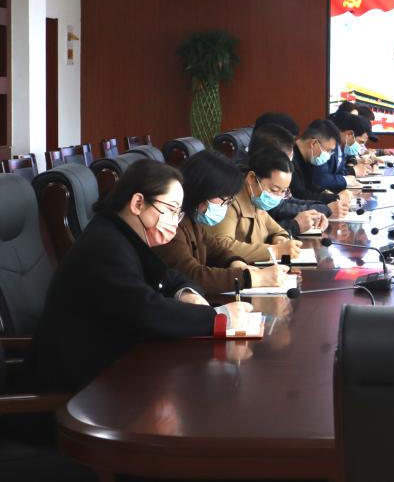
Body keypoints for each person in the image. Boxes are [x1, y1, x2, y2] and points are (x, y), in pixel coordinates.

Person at [28, 160, 252, 393]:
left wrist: (186, 294)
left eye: (178, 212)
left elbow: (169, 276)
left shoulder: (124, 234)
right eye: (170, 209)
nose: (174, 220)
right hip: (80, 385)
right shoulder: (105, 246)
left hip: (113, 367)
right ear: (138, 203)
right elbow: (146, 311)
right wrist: (217, 318)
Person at [154, 151, 290, 293]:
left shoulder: (192, 218)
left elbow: (215, 248)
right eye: (224, 199)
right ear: (202, 190)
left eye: (229, 200)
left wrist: (236, 263)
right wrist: (252, 278)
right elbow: (192, 275)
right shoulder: (171, 224)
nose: (226, 205)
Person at [203, 148, 303, 264]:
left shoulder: (256, 201)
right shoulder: (228, 201)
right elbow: (222, 245)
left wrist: (280, 240)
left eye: (283, 191)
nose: (277, 197)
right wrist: (274, 251)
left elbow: (277, 231)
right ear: (251, 178)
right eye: (274, 190)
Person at [247, 122, 341, 235]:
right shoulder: (247, 188)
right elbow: (262, 231)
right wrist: (295, 225)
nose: (288, 166)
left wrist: (318, 212)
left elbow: (288, 201)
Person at [313, 113, 369, 192]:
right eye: (360, 142)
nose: (361, 146)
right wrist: (348, 177)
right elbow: (321, 179)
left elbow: (340, 173)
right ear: (349, 134)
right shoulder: (326, 145)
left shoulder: (341, 148)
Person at [291, 119, 343, 203]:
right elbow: (300, 195)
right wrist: (336, 198)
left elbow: (311, 187)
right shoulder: (289, 159)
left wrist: (327, 193)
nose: (329, 155)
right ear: (313, 143)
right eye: (328, 150)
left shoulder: (308, 159)